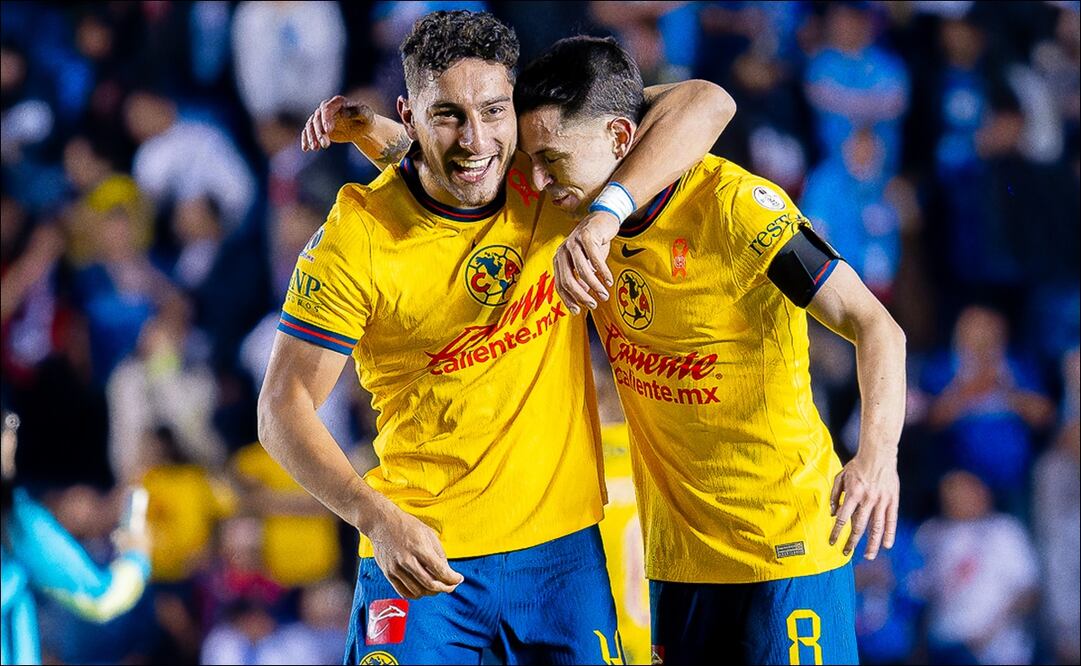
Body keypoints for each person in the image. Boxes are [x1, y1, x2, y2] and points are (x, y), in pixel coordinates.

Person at [260, 10, 734, 665]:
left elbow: (706, 101)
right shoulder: (356, 236)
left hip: (561, 556)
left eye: (492, 110)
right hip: (421, 553)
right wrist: (374, 517)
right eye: (447, 114)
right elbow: (281, 408)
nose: (476, 138)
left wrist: (602, 219)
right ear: (410, 111)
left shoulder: (543, 176)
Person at [510, 36, 905, 664]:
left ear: (619, 138)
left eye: (551, 157)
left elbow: (875, 325)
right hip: (679, 557)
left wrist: (877, 456)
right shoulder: (568, 206)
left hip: (784, 543)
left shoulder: (738, 208)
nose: (535, 179)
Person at [0, 411, 151, 665]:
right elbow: (101, 599)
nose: (12, 435)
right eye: (7, 423)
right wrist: (138, 556)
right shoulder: (16, 522)